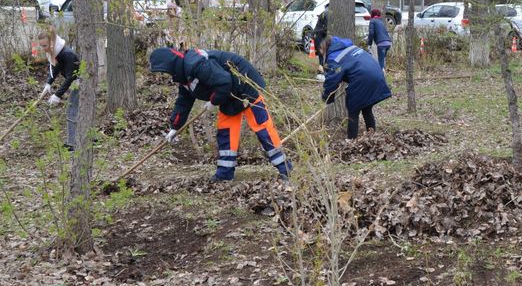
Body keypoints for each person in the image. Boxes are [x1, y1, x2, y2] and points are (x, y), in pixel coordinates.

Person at [149, 47, 291, 182]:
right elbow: (183, 102)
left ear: (170, 65)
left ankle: (286, 169)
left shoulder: (195, 64)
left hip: (246, 87)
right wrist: (175, 126)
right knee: (226, 132)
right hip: (228, 95)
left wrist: (213, 101)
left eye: (164, 72)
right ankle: (225, 173)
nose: (165, 75)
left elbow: (223, 81)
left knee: (262, 128)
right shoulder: (183, 76)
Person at [320, 35, 392, 139]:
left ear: (325, 47)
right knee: (367, 109)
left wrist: (327, 97)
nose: (321, 53)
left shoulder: (334, 57)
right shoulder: (349, 47)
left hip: (364, 79)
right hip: (376, 74)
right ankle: (372, 137)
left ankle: (351, 141)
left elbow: (331, 80)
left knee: (353, 111)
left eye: (321, 50)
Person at [39, 28, 80, 150]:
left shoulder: (67, 54)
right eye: (41, 46)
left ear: (52, 42)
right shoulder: (54, 53)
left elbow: (70, 77)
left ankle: (73, 143)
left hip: (81, 82)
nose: (43, 48)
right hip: (74, 82)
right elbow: (55, 68)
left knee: (72, 110)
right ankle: (89, 138)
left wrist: (57, 95)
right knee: (79, 110)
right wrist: (48, 84)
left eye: (45, 45)